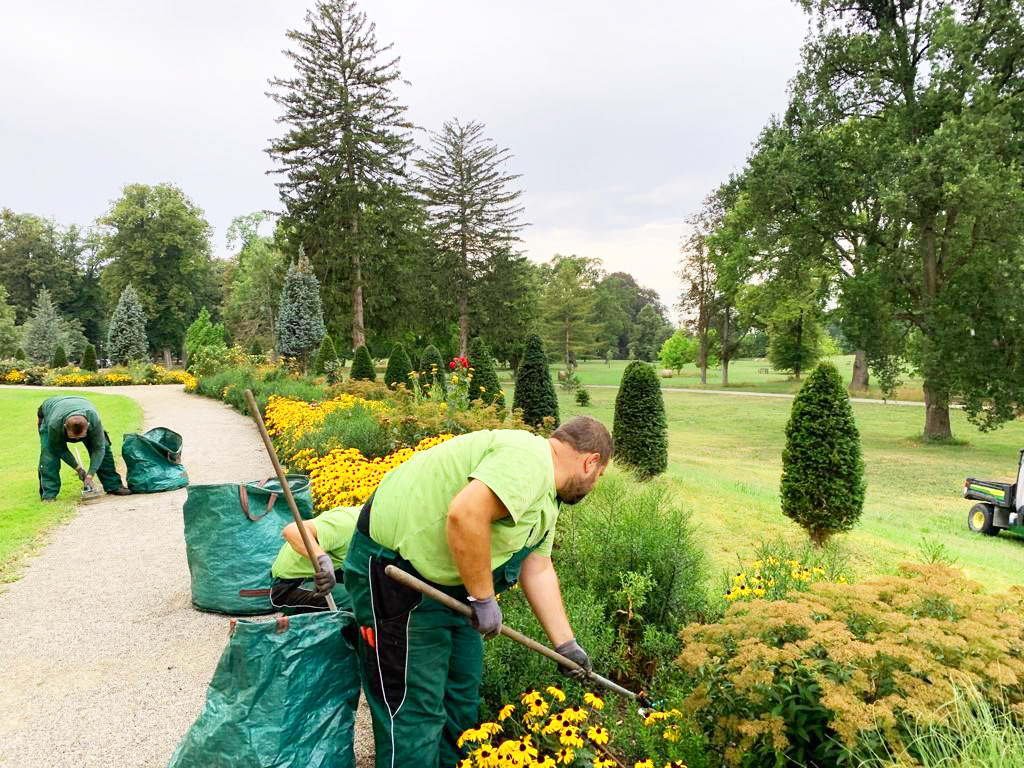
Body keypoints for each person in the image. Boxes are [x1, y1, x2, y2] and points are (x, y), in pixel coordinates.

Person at [343, 415, 614, 768]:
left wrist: (566, 645)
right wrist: (484, 596)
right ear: (591, 461)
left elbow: (538, 567)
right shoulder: (530, 459)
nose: (594, 485)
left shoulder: (548, 497)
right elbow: (466, 513)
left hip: (452, 591)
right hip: (398, 577)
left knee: (460, 703)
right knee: (412, 710)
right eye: (600, 476)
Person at [37, 395, 131, 500]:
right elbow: (60, 450)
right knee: (50, 454)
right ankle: (49, 495)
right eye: (73, 437)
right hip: (50, 410)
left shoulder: (94, 420)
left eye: (80, 437)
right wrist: (78, 469)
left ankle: (113, 485)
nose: (77, 440)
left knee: (104, 445)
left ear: (88, 426)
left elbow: (99, 449)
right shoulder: (54, 425)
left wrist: (90, 474)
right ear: (64, 426)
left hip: (81, 403)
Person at [269, 505, 358, 613]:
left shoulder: (378, 531)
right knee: (361, 601)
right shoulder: (348, 522)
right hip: (291, 586)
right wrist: (322, 559)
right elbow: (292, 530)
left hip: (332, 574)